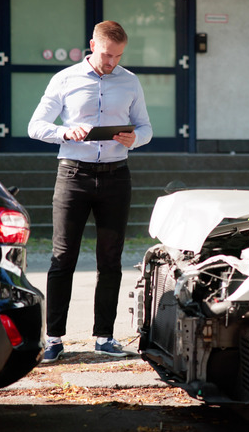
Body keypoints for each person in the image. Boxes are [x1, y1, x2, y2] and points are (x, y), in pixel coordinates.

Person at [28, 20, 152, 363]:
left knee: (110, 260)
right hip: (73, 176)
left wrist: (135, 138)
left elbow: (146, 127)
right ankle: (53, 338)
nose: (112, 62)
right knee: (62, 257)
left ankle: (104, 337)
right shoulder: (65, 79)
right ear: (92, 46)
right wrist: (65, 133)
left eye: (118, 56)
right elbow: (35, 126)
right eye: (108, 55)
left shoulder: (130, 82)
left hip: (116, 177)